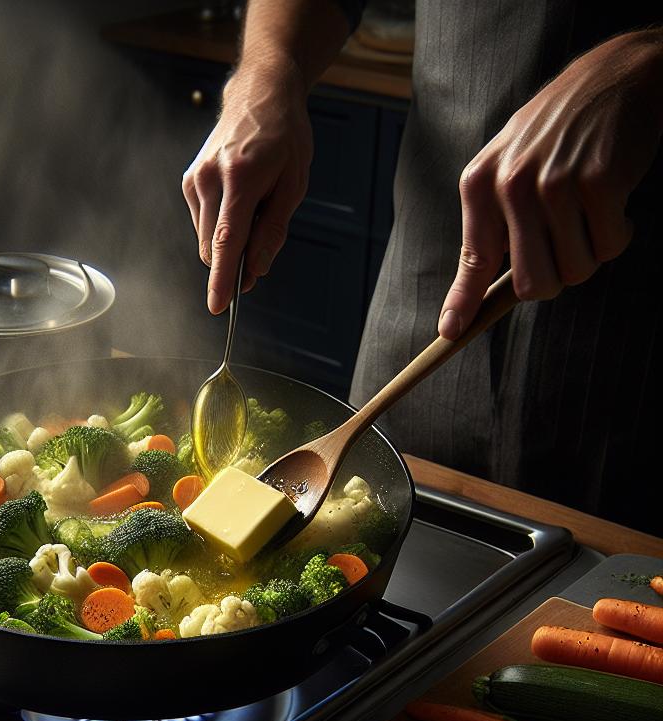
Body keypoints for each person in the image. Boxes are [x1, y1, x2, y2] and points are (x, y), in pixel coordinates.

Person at [182, 1, 662, 534]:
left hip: (633, 347)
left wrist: (648, 61)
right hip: (427, 272)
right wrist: (267, 73)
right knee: (373, 526)